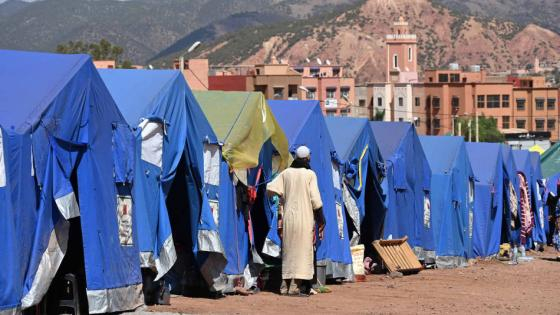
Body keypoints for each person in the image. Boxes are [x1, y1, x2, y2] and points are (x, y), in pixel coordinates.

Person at [267, 146, 325, 297]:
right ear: (308, 158)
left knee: (289, 253)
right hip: (304, 219)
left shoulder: (286, 173)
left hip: (289, 219)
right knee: (302, 253)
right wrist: (321, 220)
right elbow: (316, 200)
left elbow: (270, 189)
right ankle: (294, 287)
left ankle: (283, 287)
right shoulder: (310, 174)